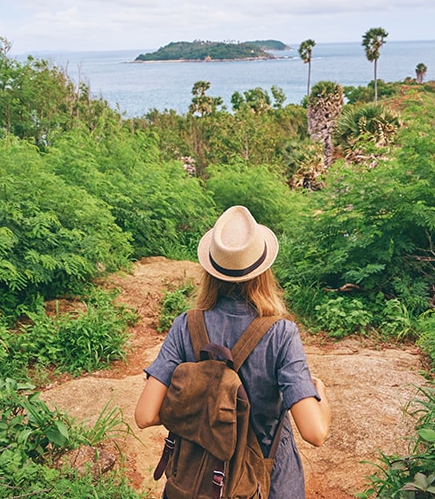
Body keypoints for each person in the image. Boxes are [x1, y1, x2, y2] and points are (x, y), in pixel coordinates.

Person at [135, 205, 332, 498]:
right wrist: (322, 399)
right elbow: (315, 432)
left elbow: (145, 415)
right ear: (263, 271)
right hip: (266, 483)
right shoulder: (280, 334)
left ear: (211, 270)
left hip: (196, 482)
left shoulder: (186, 325)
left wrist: (203, 407)